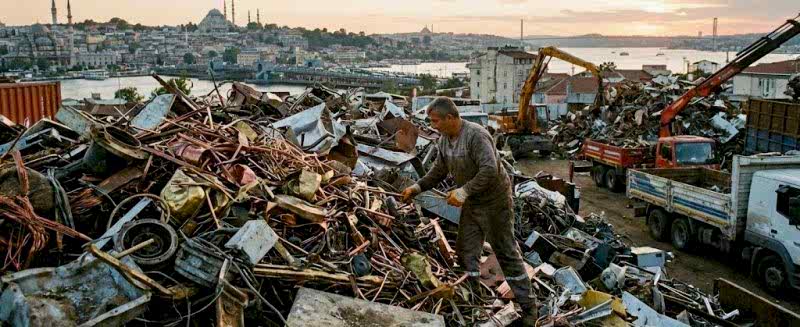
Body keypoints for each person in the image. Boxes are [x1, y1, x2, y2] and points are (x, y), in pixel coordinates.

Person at [401, 97, 537, 325]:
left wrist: (463, 192)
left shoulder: (476, 135)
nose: (433, 126)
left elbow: (490, 170)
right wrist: (417, 187)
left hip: (495, 203)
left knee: (506, 253)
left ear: (451, 118)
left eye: (436, 121)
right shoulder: (444, 140)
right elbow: (439, 171)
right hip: (473, 204)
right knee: (466, 253)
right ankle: (476, 304)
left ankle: (529, 309)